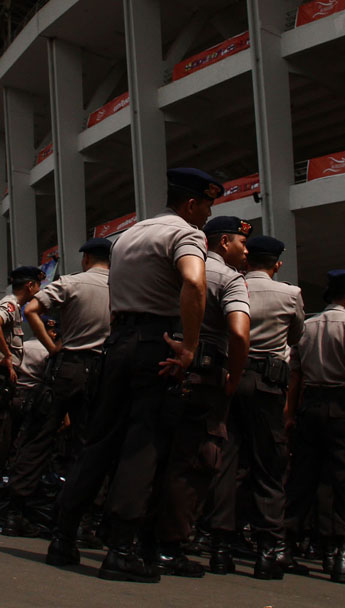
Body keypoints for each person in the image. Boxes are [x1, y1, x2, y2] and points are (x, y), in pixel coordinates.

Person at [50, 167, 222, 583]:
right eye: (208, 205)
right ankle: (121, 549)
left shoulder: (127, 234)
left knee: (99, 442)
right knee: (143, 447)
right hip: (155, 344)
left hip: (117, 344)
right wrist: (190, 347)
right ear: (192, 203)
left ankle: (64, 536)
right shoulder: (186, 234)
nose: (208, 214)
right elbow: (195, 284)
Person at [154, 214, 251, 579]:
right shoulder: (228, 278)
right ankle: (171, 545)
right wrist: (234, 378)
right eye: (242, 243)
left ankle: (138, 534)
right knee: (195, 460)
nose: (246, 251)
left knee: (155, 451)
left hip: (163, 364)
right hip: (206, 376)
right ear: (224, 242)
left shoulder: (171, 268)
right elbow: (240, 334)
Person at [206, 234, 304, 579]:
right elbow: (294, 336)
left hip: (231, 377)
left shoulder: (233, 284)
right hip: (267, 385)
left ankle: (220, 548)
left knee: (227, 463)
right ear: (277, 264)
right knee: (268, 467)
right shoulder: (290, 294)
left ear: (247, 261)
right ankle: (269, 550)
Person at [6, 237, 111, 536]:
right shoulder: (122, 287)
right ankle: (84, 522)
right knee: (90, 446)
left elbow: (30, 311)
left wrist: (52, 348)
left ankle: (16, 513)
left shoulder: (71, 283)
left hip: (66, 367)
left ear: (86, 259)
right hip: (101, 370)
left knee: (38, 438)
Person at [286, 269, 345, 585]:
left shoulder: (306, 328)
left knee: (303, 478)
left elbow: (295, 377)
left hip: (310, 404)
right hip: (342, 407)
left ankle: (286, 545)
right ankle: (341, 554)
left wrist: (290, 412)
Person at [0, 266, 43, 470]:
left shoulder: (14, 306)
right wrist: (7, 355)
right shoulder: (10, 304)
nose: (39, 290)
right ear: (30, 286)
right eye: (38, 285)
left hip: (1, 376)